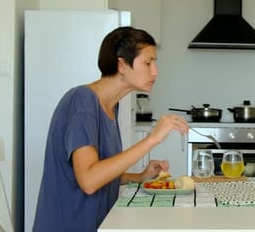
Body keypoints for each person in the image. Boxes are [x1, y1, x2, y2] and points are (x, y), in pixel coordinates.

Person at [33, 26, 189, 231]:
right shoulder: (83, 102)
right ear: (121, 64)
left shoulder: (109, 106)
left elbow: (102, 170)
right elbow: (89, 180)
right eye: (148, 63)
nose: (155, 71)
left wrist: (140, 177)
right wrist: (152, 139)